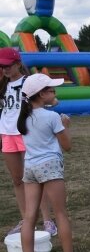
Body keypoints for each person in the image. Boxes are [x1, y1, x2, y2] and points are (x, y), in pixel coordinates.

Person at [16, 73, 87, 252]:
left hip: (30, 168)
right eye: (50, 90)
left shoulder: (24, 117)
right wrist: (64, 126)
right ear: (40, 94)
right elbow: (68, 146)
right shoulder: (52, 117)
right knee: (61, 213)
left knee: (29, 217)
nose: (54, 92)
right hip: (50, 167)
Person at [0, 47, 57, 237]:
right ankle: (27, 221)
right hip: (7, 135)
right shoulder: (2, 84)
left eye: (8, 65)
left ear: (17, 63)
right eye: (2, 66)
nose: (5, 69)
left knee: (36, 178)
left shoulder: (29, 83)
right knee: (18, 180)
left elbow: (51, 99)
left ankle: (47, 220)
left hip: (26, 134)